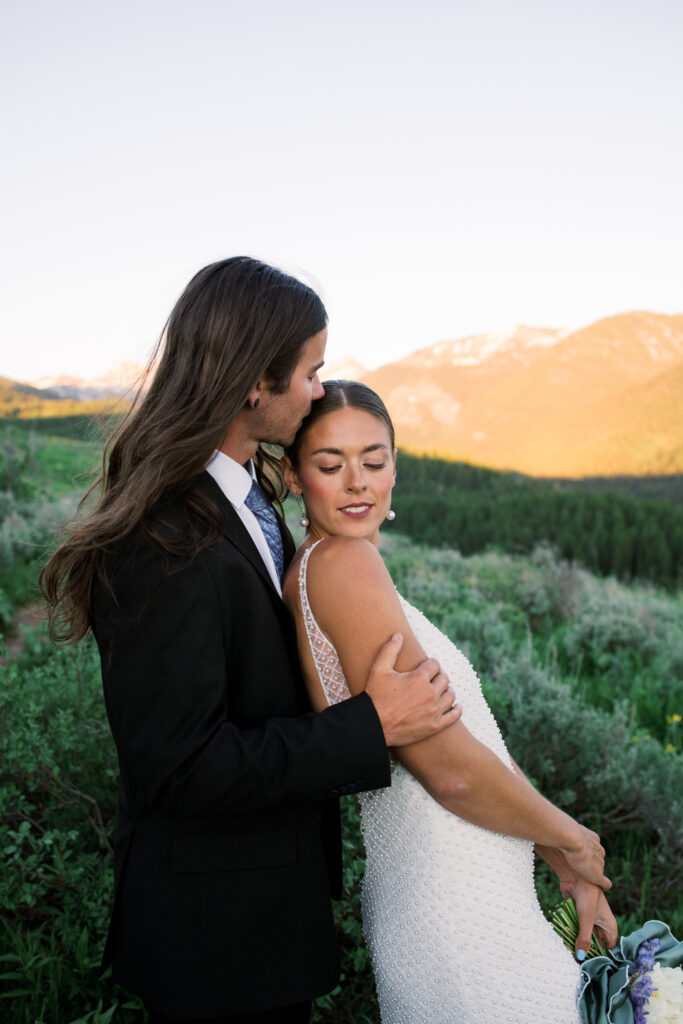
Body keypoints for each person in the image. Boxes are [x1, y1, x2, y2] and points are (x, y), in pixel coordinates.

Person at [40, 259, 462, 1024]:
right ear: (251, 386)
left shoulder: (244, 494)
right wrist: (369, 726)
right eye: (309, 372)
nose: (318, 392)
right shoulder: (162, 538)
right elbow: (179, 767)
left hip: (262, 912)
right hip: (214, 939)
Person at [281, 379, 619, 1024]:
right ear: (295, 477)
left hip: (459, 895)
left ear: (396, 469)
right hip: (457, 907)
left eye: (374, 462)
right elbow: (449, 769)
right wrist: (575, 840)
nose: (357, 482)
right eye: (330, 465)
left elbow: (472, 743)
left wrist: (560, 860)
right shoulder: (345, 564)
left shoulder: (330, 567)